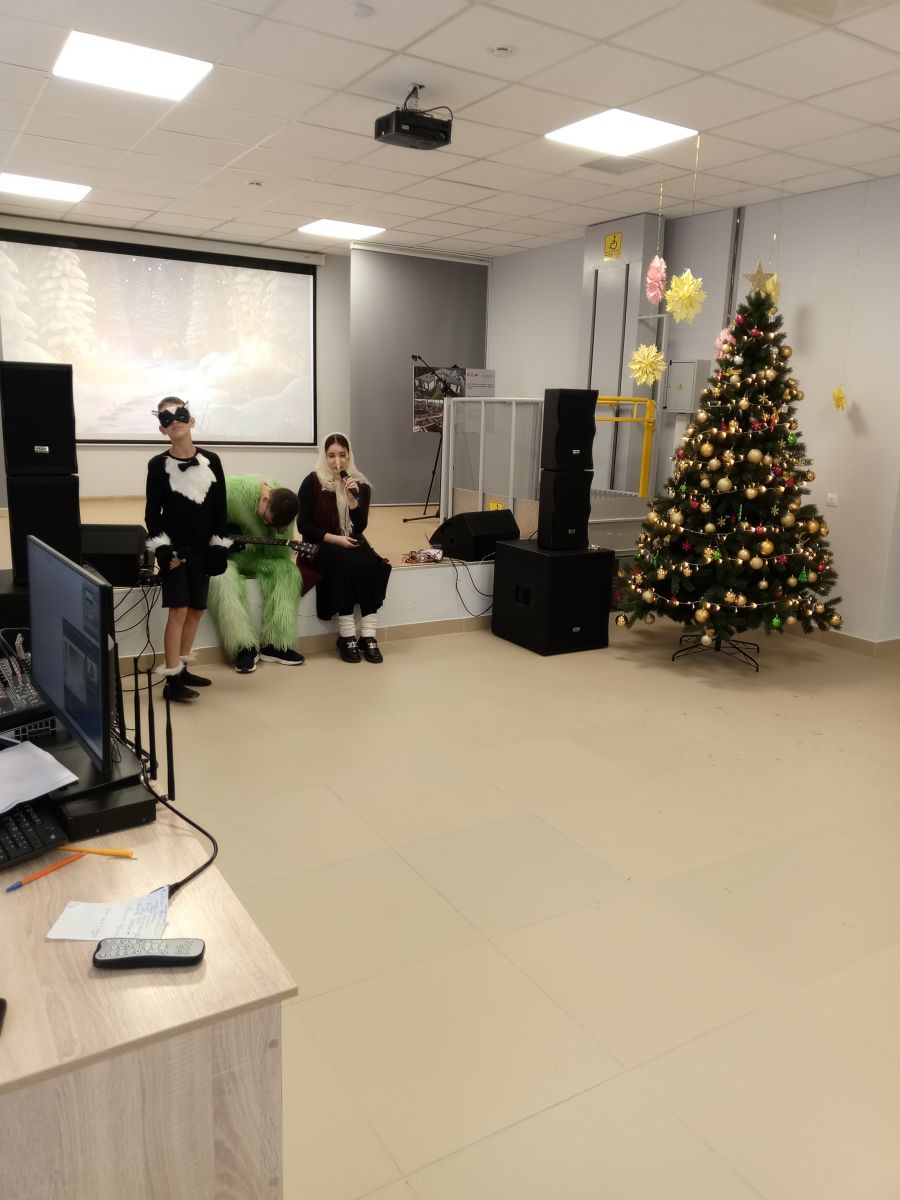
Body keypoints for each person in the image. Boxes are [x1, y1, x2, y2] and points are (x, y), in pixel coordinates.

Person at [144, 397, 231, 702]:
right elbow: (152, 515)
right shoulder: (157, 466)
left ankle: (182, 668)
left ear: (192, 420)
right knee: (179, 610)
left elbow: (220, 509)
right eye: (167, 419)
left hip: (202, 549)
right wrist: (163, 551)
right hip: (176, 552)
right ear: (162, 429)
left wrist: (219, 547)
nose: (175, 422)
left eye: (180, 415)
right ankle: (171, 680)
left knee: (196, 610)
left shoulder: (212, 460)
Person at [297, 432, 391, 663]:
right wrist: (334, 539)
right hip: (319, 543)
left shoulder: (360, 485)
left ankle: (368, 635)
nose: (337, 461)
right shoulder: (313, 482)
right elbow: (303, 525)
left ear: (349, 456)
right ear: (324, 456)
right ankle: (347, 635)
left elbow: (360, 526)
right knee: (343, 563)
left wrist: (352, 500)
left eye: (342, 455)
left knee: (370, 562)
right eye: (331, 456)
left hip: (349, 539)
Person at [208, 477, 306, 674]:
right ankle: (243, 647)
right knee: (220, 577)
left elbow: (280, 555)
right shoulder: (232, 492)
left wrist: (279, 533)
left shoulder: (287, 508)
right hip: (224, 556)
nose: (266, 523)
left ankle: (276, 644)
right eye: (267, 519)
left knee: (288, 572)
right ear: (265, 498)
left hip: (257, 557)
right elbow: (202, 520)